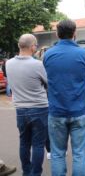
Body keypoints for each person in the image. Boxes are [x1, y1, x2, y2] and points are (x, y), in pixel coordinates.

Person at [43, 19, 85, 176]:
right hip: (80, 110)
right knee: (79, 154)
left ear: (57, 34)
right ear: (75, 33)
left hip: (56, 110)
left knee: (58, 153)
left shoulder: (47, 55)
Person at [6, 34, 48, 176]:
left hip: (20, 109)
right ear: (32, 47)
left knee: (24, 143)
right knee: (37, 144)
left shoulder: (8, 63)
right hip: (39, 108)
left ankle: (26, 172)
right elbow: (48, 84)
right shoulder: (37, 64)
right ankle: (36, 173)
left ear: (19, 46)